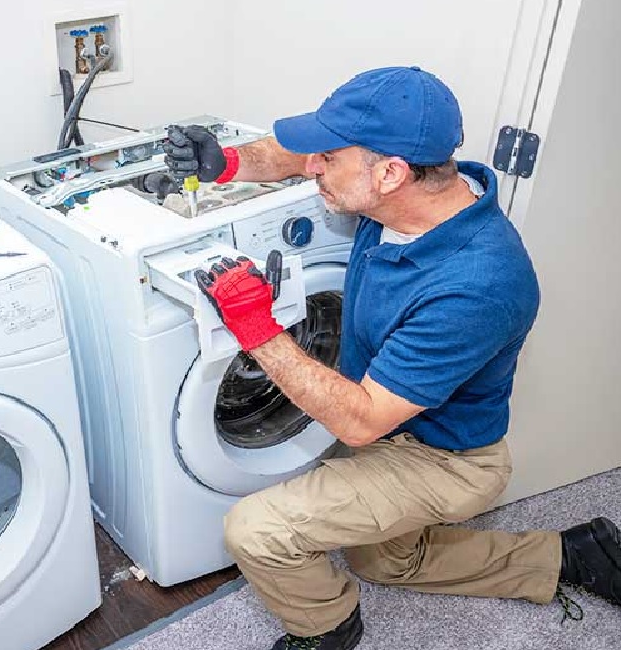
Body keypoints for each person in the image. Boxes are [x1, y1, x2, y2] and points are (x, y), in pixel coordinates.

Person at [163, 66, 621, 650]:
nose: (312, 167)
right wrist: (226, 163)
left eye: (329, 159)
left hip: (444, 458)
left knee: (257, 530)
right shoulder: (410, 192)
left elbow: (361, 422)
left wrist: (254, 327)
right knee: (387, 563)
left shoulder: (480, 283)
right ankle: (571, 555)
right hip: (390, 421)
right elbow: (293, 154)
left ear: (390, 174)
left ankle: (327, 628)